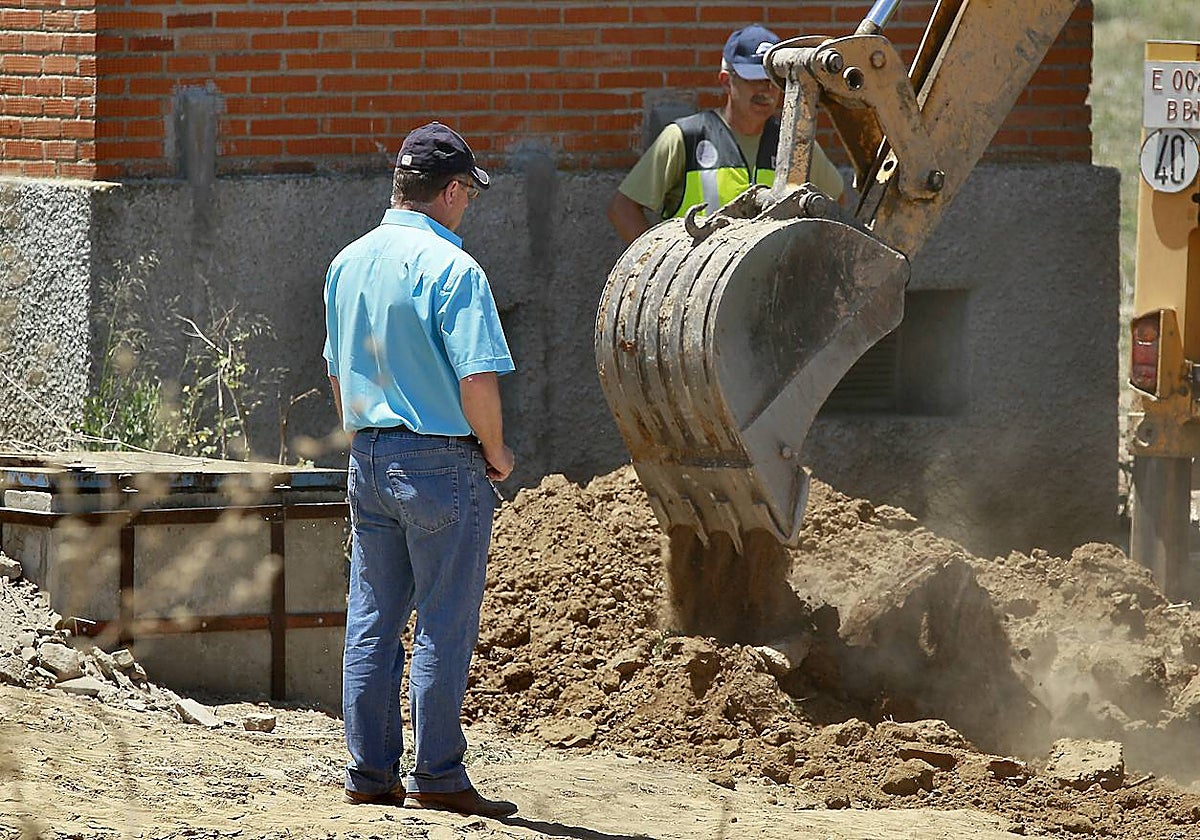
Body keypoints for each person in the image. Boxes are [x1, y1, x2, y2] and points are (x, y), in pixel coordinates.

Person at [322, 121, 518, 819]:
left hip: (368, 455)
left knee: (372, 619)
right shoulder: (455, 270)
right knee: (443, 620)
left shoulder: (348, 262)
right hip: (440, 460)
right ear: (454, 190)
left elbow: (339, 376)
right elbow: (477, 383)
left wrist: (363, 437)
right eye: (468, 193)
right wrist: (495, 453)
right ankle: (437, 773)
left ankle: (369, 773)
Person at [606, 24, 846, 244]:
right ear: (726, 81)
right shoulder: (685, 137)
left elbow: (837, 204)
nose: (766, 89)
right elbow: (623, 209)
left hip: (772, 284)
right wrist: (662, 265)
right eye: (754, 79)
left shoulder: (798, 145)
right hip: (698, 285)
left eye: (773, 80)